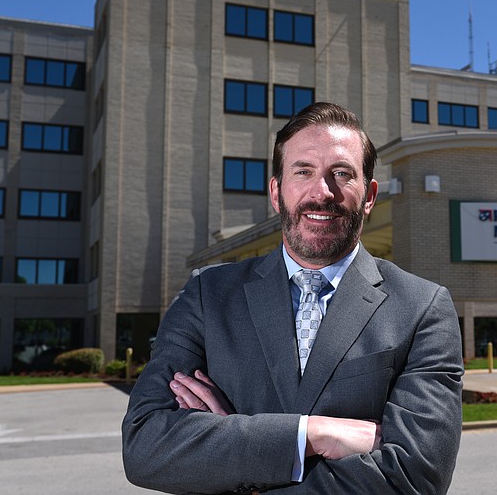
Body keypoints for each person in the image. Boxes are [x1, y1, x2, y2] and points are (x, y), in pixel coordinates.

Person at [122, 102, 464, 494]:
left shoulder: (422, 308)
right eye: (303, 171)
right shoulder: (207, 295)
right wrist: (314, 433)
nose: (322, 192)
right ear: (276, 190)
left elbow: (417, 477)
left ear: (368, 196)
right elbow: (145, 446)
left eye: (341, 174)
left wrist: (237, 465)